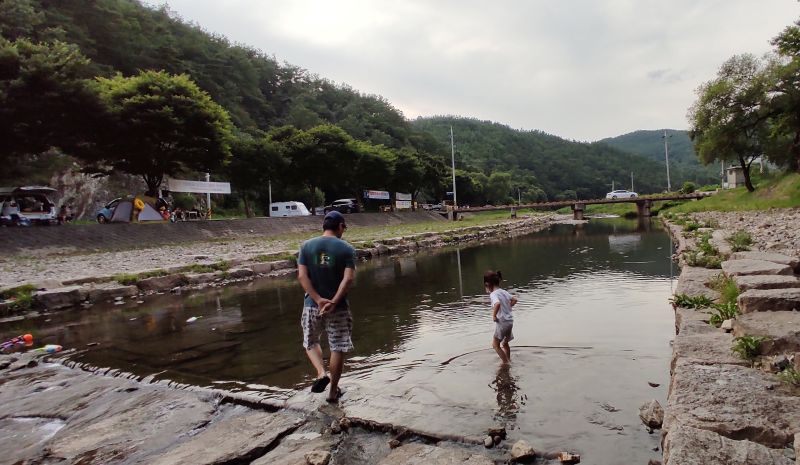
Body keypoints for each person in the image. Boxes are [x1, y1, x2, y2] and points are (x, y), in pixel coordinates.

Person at [297, 211, 356, 403]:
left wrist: (317, 299)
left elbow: (302, 277)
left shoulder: (306, 246)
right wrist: (334, 301)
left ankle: (321, 373)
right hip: (337, 308)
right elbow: (348, 279)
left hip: (311, 306)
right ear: (340, 226)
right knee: (337, 348)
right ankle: (332, 392)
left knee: (311, 342)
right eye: (343, 228)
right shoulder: (346, 249)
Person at [484, 270, 518, 364]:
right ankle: (508, 359)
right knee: (505, 343)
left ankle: (506, 363)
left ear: (488, 284)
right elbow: (514, 299)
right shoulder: (503, 292)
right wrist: (508, 307)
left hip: (502, 322)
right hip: (510, 321)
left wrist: (494, 316)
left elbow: (497, 304)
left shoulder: (493, 294)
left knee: (495, 345)